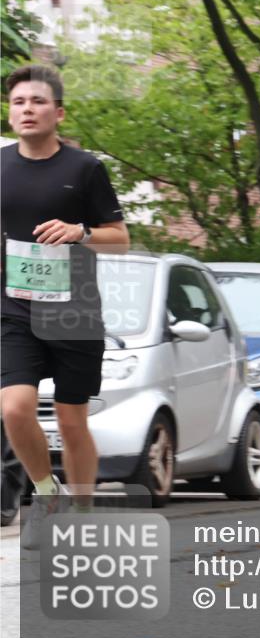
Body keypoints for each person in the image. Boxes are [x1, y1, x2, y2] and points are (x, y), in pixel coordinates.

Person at [1, 64, 130, 548]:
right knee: (14, 408)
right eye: (18, 102)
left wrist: (81, 233)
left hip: (73, 307)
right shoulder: (0, 166)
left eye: (36, 101)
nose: (27, 109)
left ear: (58, 111)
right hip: (13, 306)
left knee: (72, 419)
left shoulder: (85, 169)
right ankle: (44, 491)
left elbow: (120, 239)